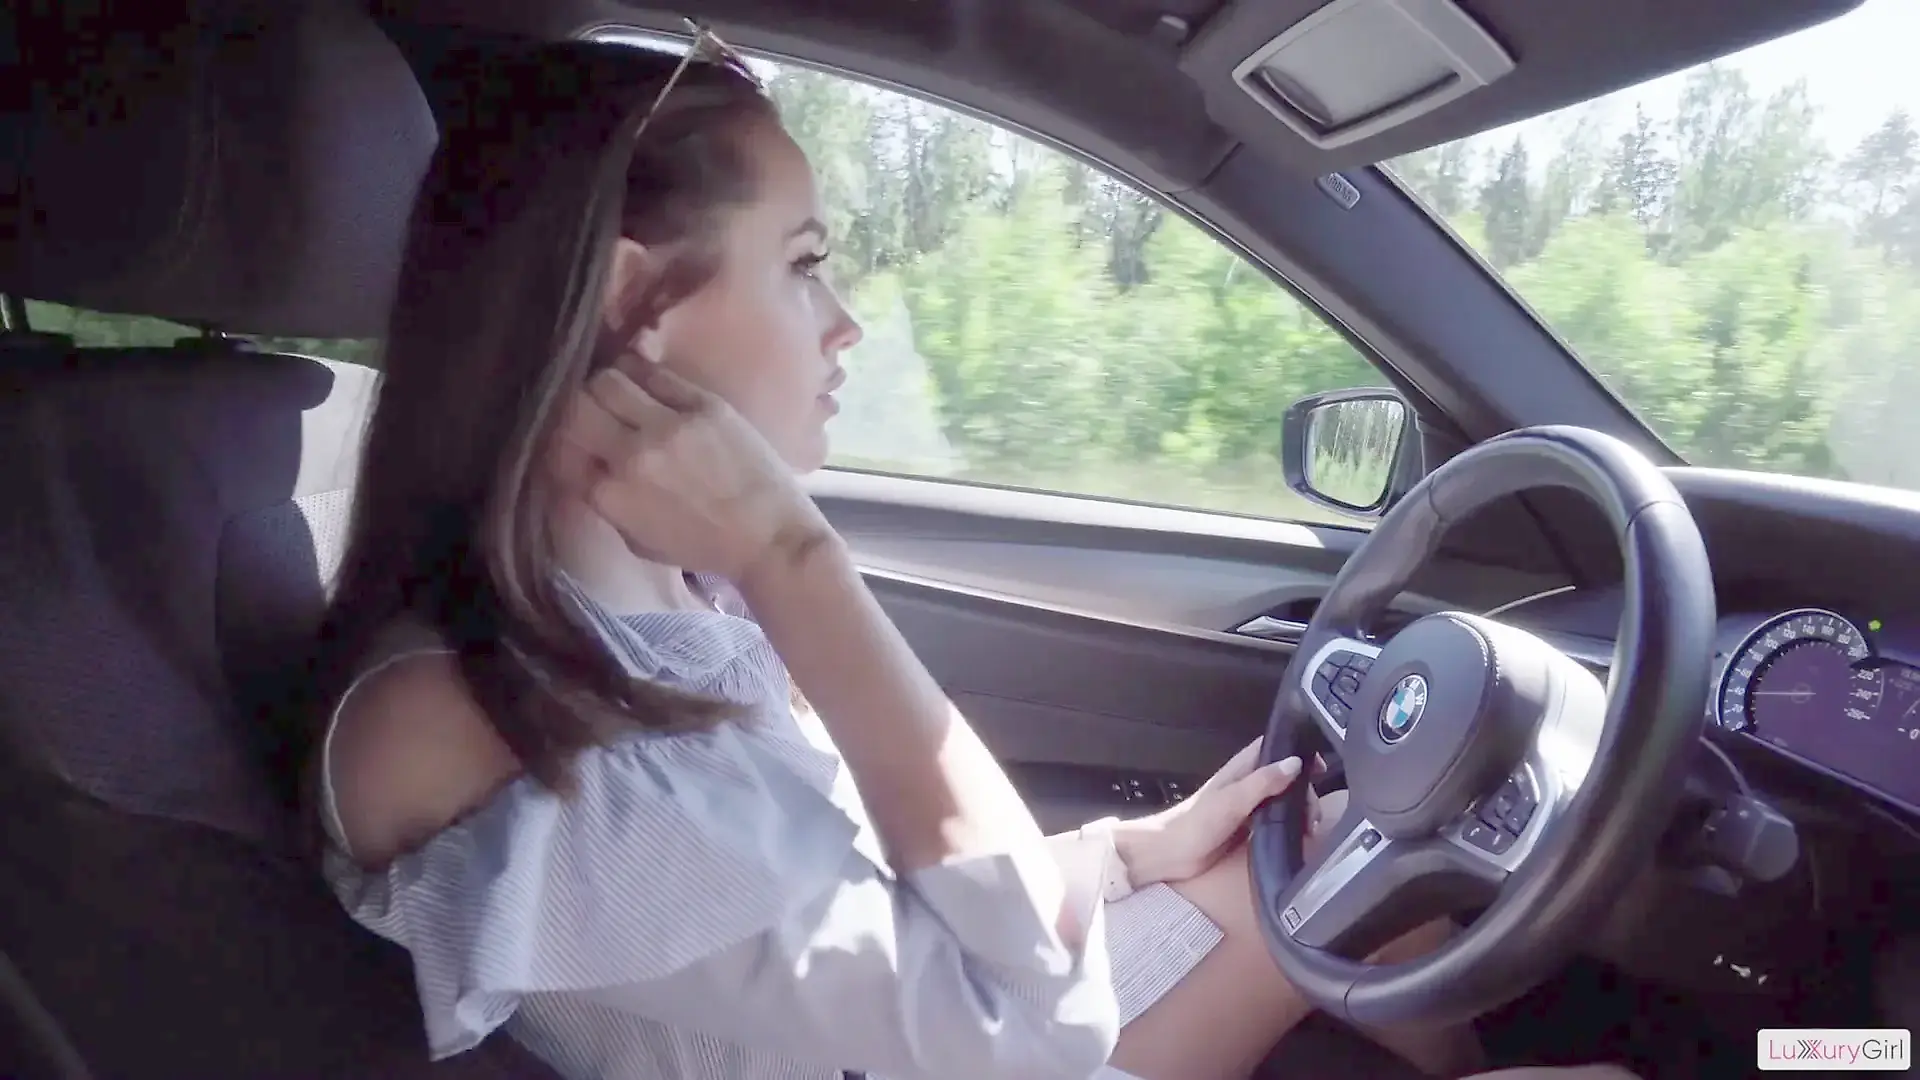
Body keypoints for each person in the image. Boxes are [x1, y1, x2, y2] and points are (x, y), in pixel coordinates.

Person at [304, 26, 1642, 1080]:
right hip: (992, 1042)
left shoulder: (657, 595)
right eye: (804, 263)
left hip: (954, 1026)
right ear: (629, 300)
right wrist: (795, 557)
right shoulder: (454, 722)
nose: (845, 324)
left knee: (1357, 853)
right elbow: (1031, 1021)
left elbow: (883, 905)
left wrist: (1132, 849)